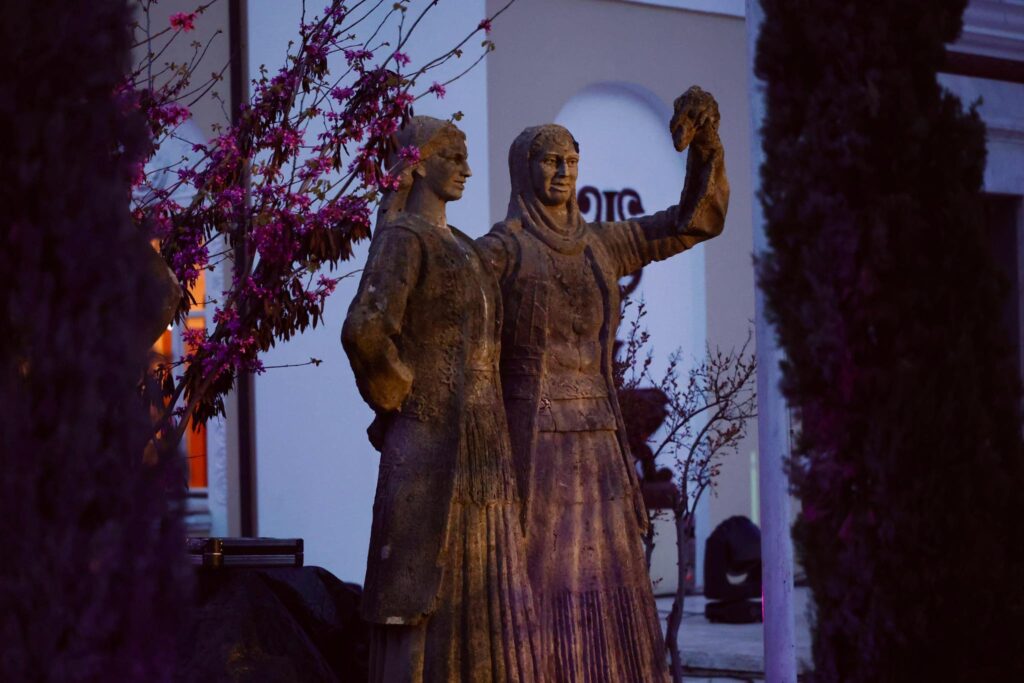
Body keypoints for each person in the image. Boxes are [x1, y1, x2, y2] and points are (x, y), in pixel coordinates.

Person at [474, 86, 729, 681]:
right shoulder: (500, 252)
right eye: (550, 160)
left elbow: (691, 223)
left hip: (599, 446)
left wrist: (707, 146)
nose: (564, 171)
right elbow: (453, 322)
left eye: (571, 160)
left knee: (608, 577)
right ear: (523, 169)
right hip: (534, 446)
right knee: (542, 576)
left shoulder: (603, 245)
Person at [342, 116, 545, 683]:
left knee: (481, 583)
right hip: (433, 441)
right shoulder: (403, 238)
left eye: (464, 156)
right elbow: (365, 330)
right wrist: (404, 397)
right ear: (418, 164)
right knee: (428, 582)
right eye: (452, 157)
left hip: (484, 443)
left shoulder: (464, 246)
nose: (467, 169)